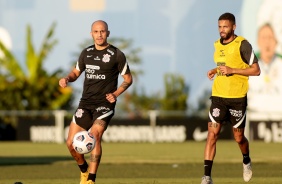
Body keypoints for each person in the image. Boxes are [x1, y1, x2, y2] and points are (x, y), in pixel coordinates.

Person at [59, 20, 133, 184]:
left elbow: (128, 79)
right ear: (91, 34)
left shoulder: (116, 54)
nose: (99, 34)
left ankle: (91, 180)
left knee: (95, 136)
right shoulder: (86, 53)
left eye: (102, 31)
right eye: (96, 31)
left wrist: (116, 93)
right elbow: (76, 72)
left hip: (104, 105)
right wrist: (67, 79)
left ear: (108, 33)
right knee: (70, 143)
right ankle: (84, 170)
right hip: (85, 103)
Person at [201, 13, 260, 184]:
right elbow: (223, 66)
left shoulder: (243, 44)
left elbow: (256, 70)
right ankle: (207, 177)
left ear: (233, 27)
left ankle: (246, 160)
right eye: (219, 27)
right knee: (212, 134)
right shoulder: (216, 44)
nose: (221, 30)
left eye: (225, 27)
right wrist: (215, 70)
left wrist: (233, 70)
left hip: (237, 98)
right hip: (219, 96)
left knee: (239, 138)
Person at [248, 23, 282, 112]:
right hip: (254, 118)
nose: (267, 42)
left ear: (276, 41)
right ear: (257, 42)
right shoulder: (248, 67)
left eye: (270, 38)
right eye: (263, 38)